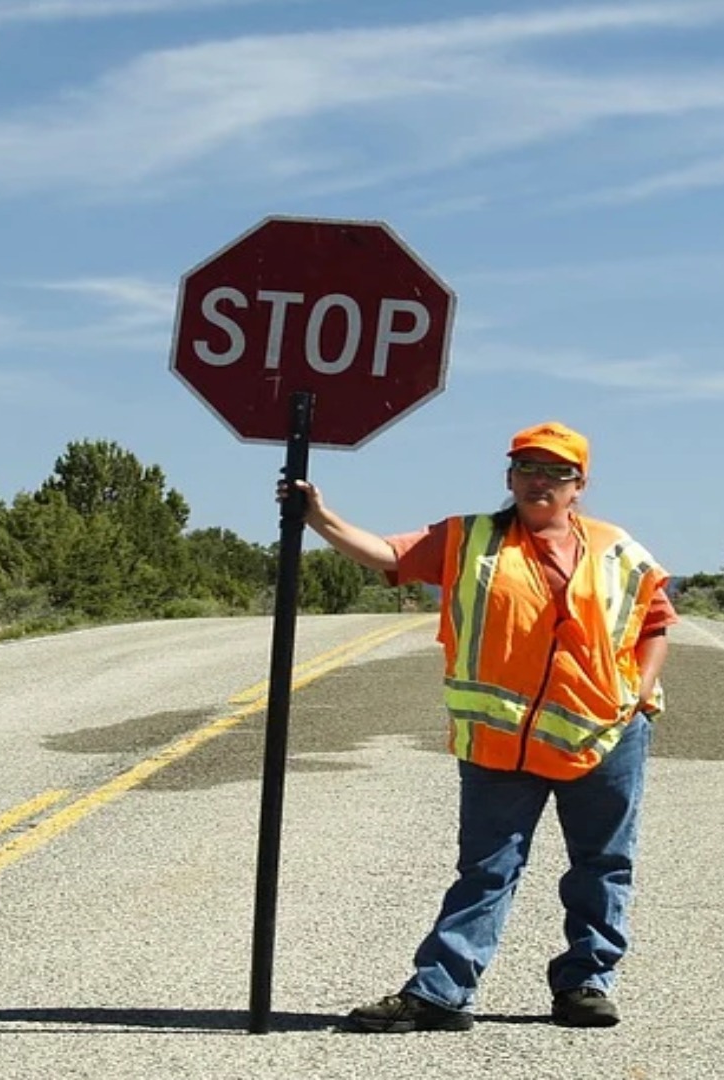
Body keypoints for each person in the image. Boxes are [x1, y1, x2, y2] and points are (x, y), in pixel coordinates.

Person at [276, 420, 676, 1033]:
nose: (541, 481)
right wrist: (320, 519)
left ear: (579, 485)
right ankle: (440, 992)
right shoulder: (469, 539)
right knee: (488, 868)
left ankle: (587, 984)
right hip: (502, 740)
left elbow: (655, 623)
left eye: (557, 473)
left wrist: (640, 692)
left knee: (603, 863)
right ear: (509, 476)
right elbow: (390, 554)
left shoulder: (616, 548)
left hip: (605, 735)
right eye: (528, 469)